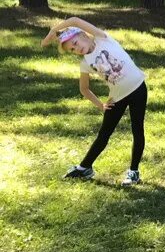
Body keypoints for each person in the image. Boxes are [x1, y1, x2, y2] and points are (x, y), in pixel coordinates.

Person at [40, 18, 148, 186]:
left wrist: (53, 32)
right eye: (72, 49)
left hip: (138, 89)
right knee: (104, 134)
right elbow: (84, 89)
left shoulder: (102, 38)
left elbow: (74, 20)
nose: (76, 49)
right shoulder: (85, 64)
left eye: (75, 43)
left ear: (83, 34)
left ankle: (134, 172)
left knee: (137, 129)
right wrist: (100, 105)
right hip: (117, 98)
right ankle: (85, 168)